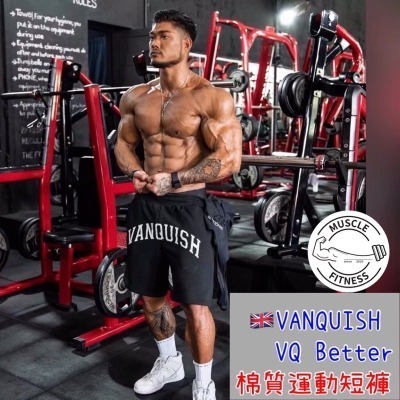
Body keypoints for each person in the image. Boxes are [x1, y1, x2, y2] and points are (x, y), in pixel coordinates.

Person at [114, 9, 242, 400]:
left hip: (188, 207)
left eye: (163, 36)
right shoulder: (136, 96)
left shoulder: (210, 97)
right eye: (152, 36)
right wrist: (136, 171)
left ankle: (203, 383)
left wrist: (176, 179)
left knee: (195, 302)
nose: (153, 43)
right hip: (146, 207)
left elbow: (229, 159)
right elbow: (123, 144)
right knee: (151, 295)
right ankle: (169, 362)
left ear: (186, 44)